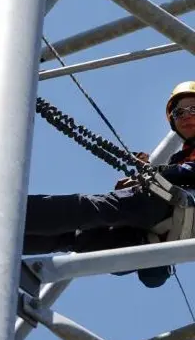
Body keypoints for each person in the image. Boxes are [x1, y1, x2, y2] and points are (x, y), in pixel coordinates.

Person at [23, 81, 195, 288]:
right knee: (75, 237)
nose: (185, 116)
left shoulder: (183, 163)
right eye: (178, 113)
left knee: (85, 209)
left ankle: (4, 212)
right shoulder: (181, 157)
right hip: (159, 225)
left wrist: (159, 174)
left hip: (167, 213)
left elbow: (185, 173)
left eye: (193, 109)